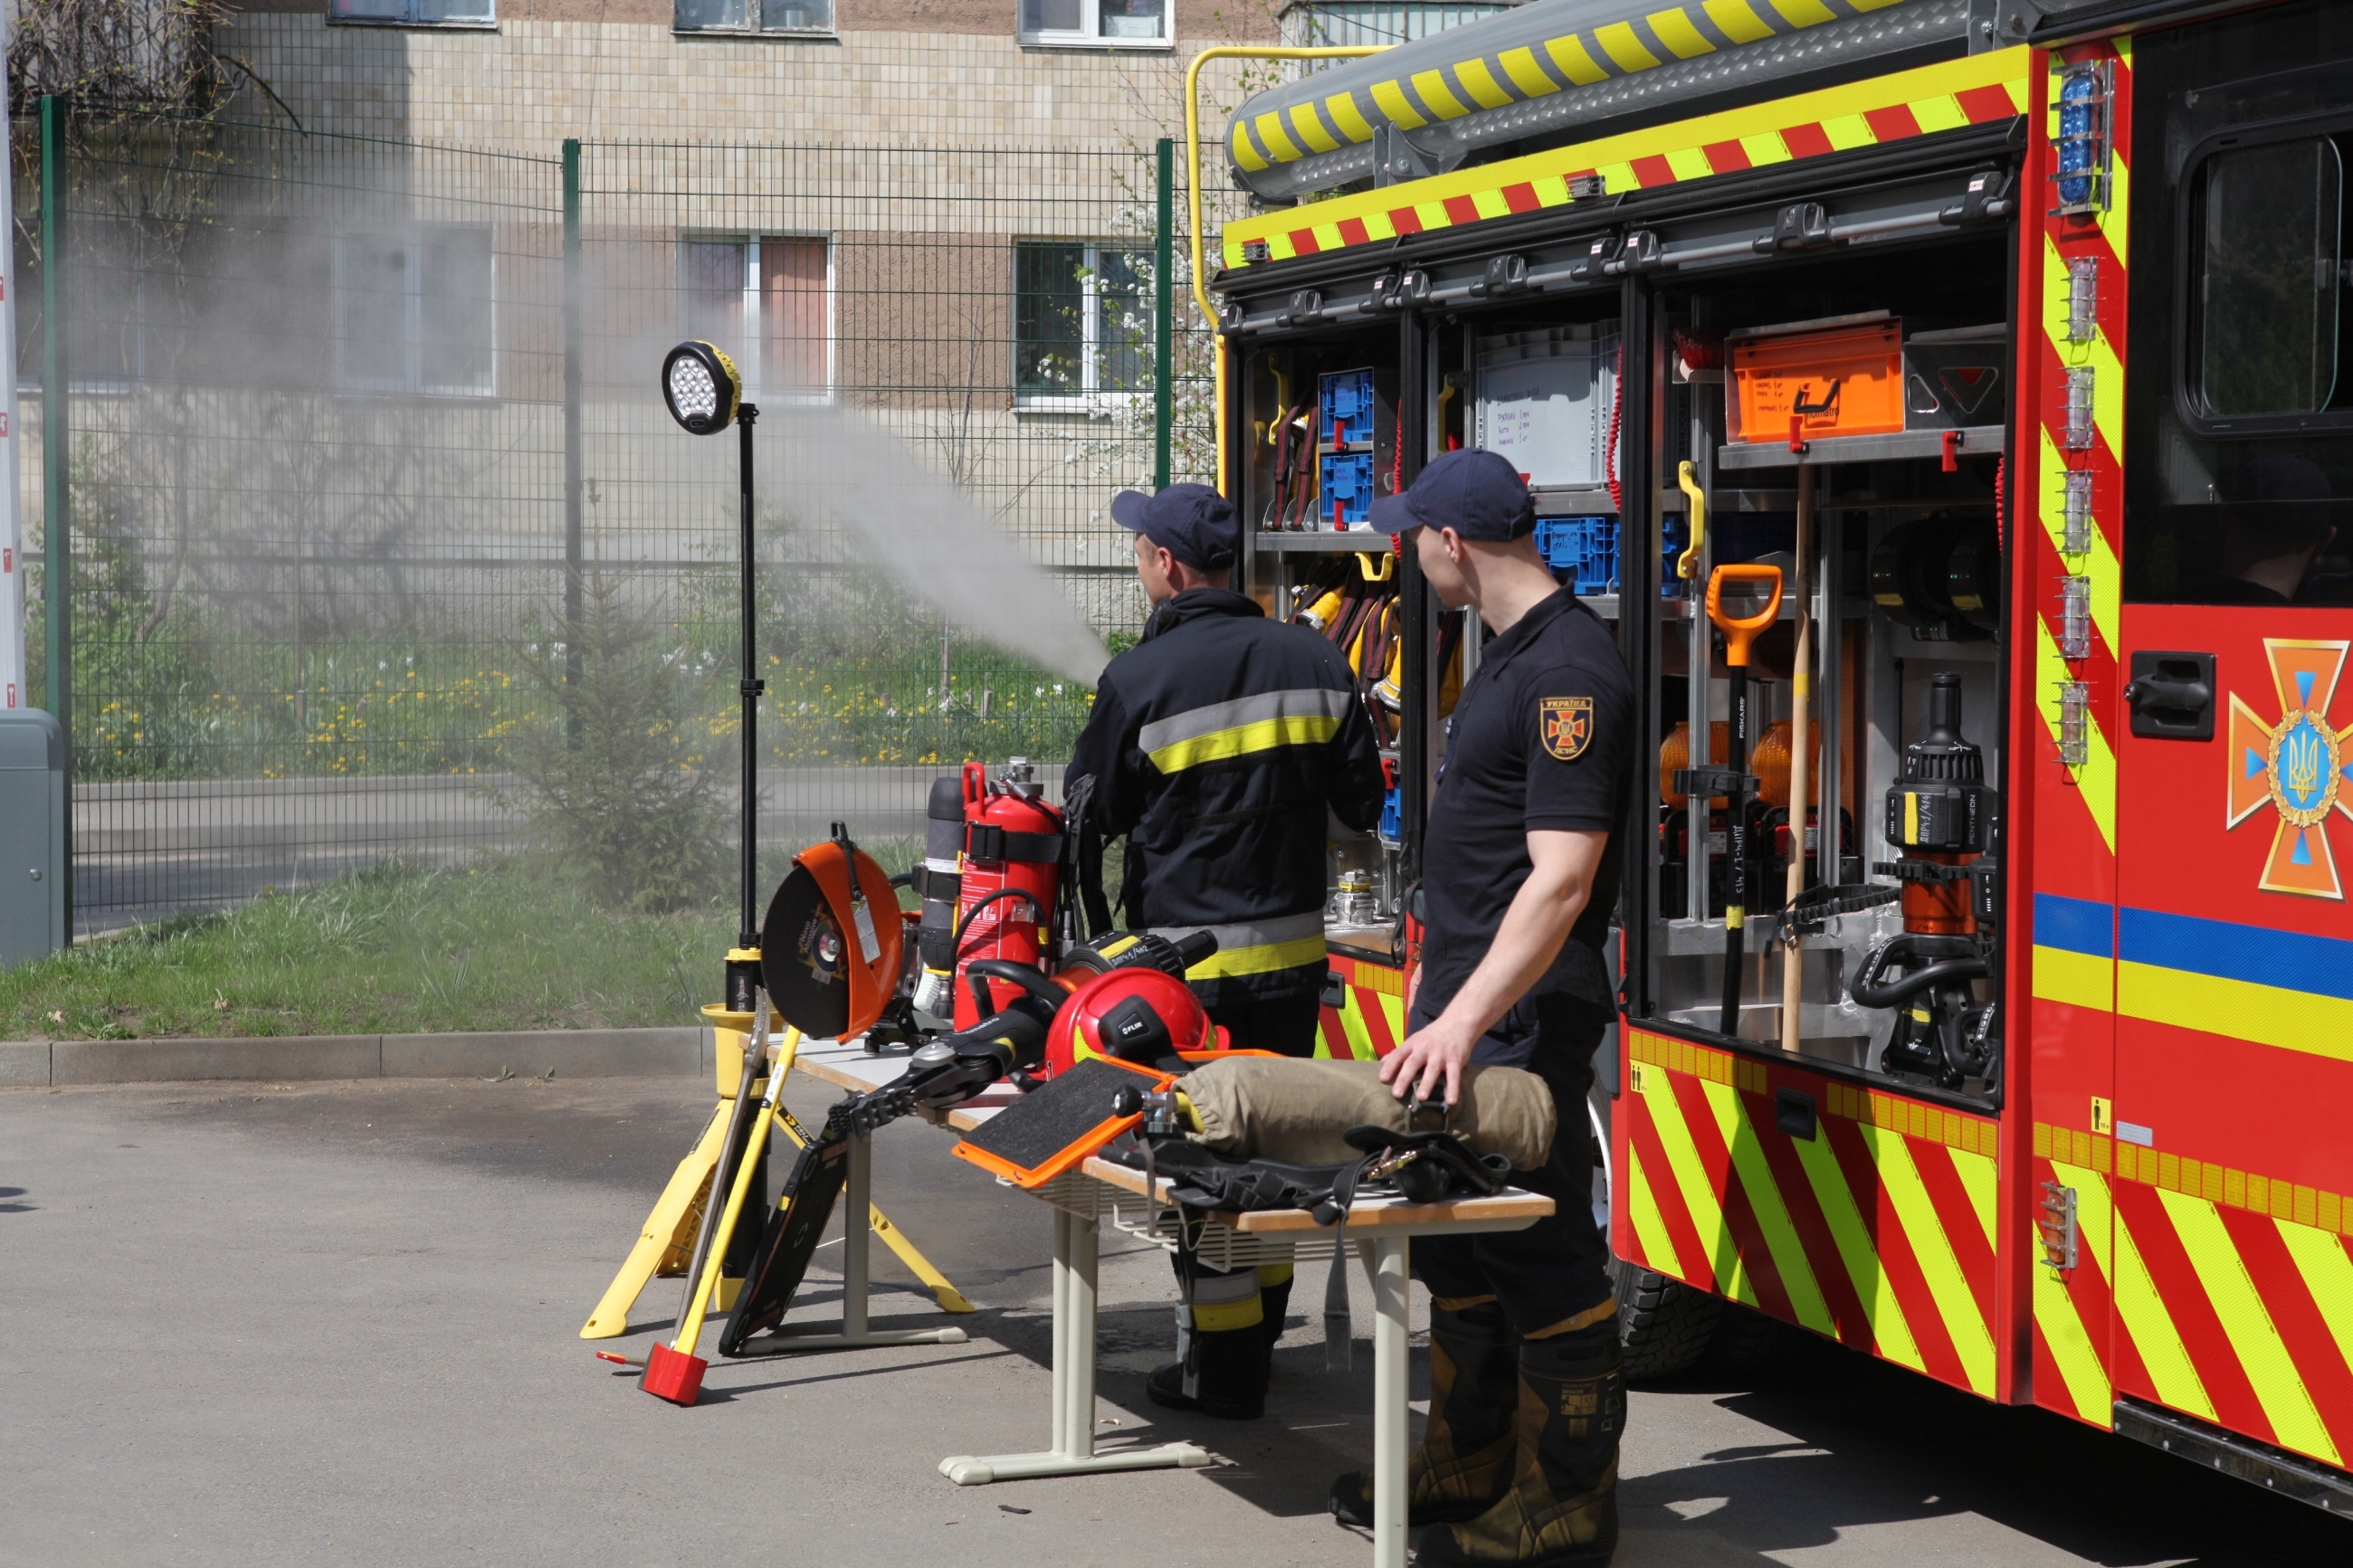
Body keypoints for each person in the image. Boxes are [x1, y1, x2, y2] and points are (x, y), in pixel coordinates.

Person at [1332, 449, 1634, 1567]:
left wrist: (1462, 1022)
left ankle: (1564, 1502)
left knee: (1541, 1241)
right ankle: (1470, 1456)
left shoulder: (1569, 676)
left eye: (1413, 533)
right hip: (1467, 1008)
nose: (1405, 550)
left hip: (1520, 1020)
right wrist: (1436, 996)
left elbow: (1559, 878)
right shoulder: (1507, 654)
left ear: (1452, 543)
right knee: (1459, 1245)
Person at [1064, 480, 1386, 1421]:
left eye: (1139, 552)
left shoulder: (1138, 679)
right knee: (1278, 1153)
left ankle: (1225, 1365)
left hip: (1181, 987)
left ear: (1165, 564)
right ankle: (1255, 1332)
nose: (1138, 565)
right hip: (1289, 972)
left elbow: (1098, 815)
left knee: (1198, 1165)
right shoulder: (1316, 657)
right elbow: (1361, 803)